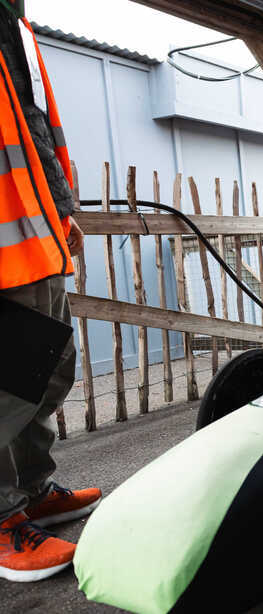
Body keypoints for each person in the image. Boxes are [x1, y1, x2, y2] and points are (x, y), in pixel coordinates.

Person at [0, 0, 101, 582]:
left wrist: (59, 210)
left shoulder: (16, 24)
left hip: (35, 228)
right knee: (8, 386)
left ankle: (31, 489)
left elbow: (34, 129)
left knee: (47, 371)